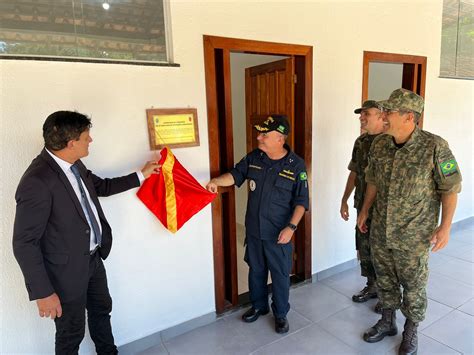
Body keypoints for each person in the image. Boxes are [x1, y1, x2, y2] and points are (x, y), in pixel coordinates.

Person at [12, 111, 160, 354]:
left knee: (102, 312)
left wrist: (140, 175)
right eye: (86, 137)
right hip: (65, 272)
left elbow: (101, 186)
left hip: (93, 259)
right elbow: (24, 242)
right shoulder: (36, 181)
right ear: (71, 144)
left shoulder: (74, 163)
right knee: (71, 333)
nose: (90, 140)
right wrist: (43, 292)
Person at [357, 89, 462, 355]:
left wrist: (445, 227)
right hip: (381, 228)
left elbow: (450, 188)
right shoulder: (380, 144)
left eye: (389, 112)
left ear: (409, 117)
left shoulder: (434, 146)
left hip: (414, 234)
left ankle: (411, 331)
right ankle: (387, 321)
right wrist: (365, 210)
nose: (384, 116)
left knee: (413, 285)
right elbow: (372, 180)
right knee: (385, 279)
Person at [206, 115, 309, 334]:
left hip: (279, 233)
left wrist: (291, 228)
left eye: (264, 134)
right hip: (254, 231)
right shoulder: (254, 158)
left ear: (280, 138)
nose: (258, 137)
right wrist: (216, 181)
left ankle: (280, 314)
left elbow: (302, 202)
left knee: (280, 276)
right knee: (256, 271)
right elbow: (235, 175)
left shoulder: (296, 165)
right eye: (260, 133)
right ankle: (259, 306)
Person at [340, 100, 385, 313]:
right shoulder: (361, 142)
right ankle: (372, 285)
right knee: (364, 247)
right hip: (362, 205)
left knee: (383, 252)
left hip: (385, 209)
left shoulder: (391, 141)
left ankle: (388, 296)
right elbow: (355, 171)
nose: (361, 117)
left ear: (381, 116)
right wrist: (344, 199)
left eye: (366, 113)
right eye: (361, 114)